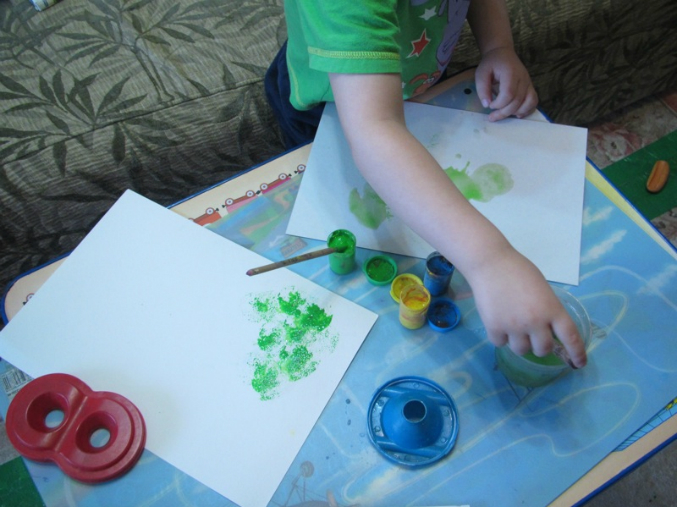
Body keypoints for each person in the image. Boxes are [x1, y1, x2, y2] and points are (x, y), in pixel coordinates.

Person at [265, 0, 587, 368]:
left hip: (416, 82)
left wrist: (498, 46)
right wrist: (490, 260)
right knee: (334, 194)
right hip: (331, 103)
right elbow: (373, 131)